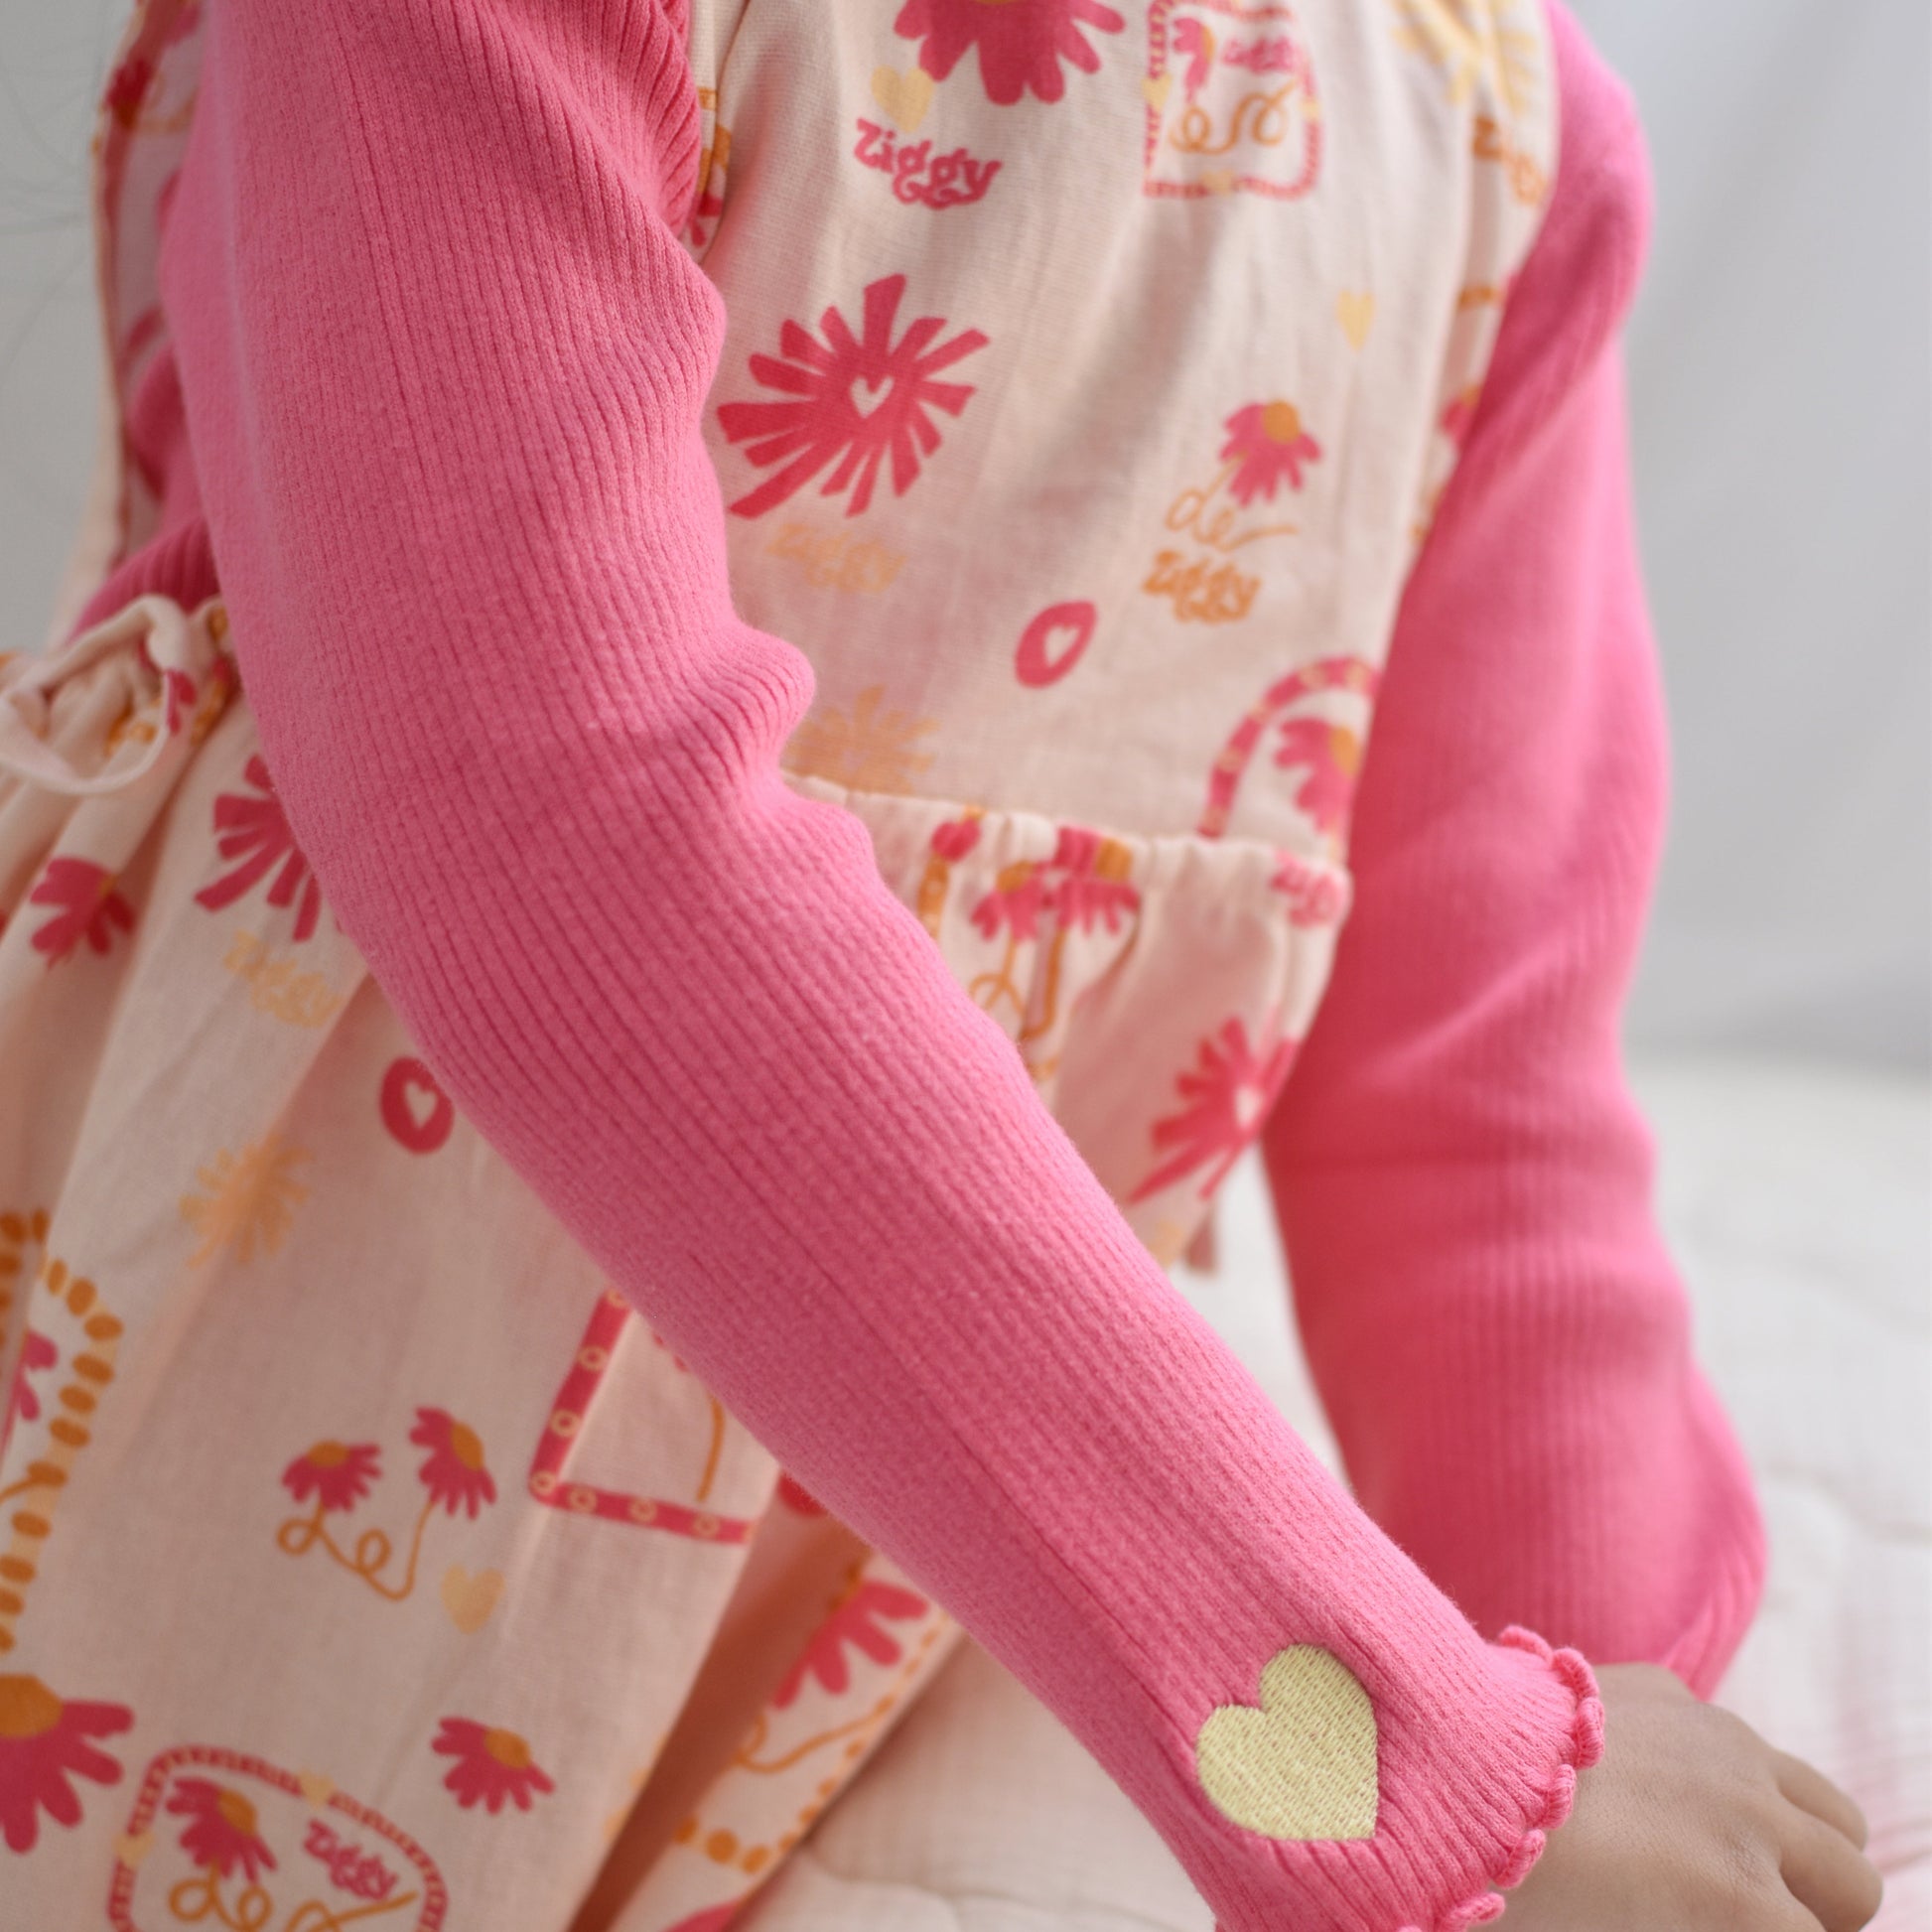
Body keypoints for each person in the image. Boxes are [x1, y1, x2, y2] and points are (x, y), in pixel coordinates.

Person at [0, 0, 1883, 1928]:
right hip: (181, 1519)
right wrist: (1374, 1765)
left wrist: (1607, 1749)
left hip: (883, 1634)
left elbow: (1472, 1108)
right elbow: (558, 831)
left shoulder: (1483, 137)